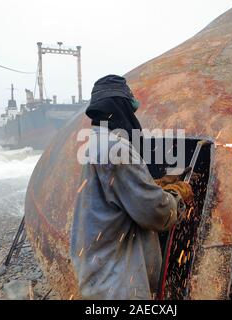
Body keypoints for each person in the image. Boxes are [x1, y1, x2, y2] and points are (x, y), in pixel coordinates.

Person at [70, 75, 193, 300]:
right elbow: (155, 213)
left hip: (98, 271)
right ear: (121, 107)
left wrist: (154, 185)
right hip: (118, 283)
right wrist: (177, 196)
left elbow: (117, 194)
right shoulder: (116, 149)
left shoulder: (97, 143)